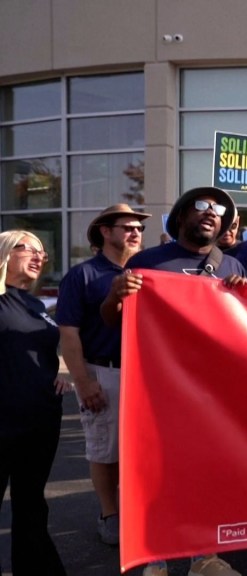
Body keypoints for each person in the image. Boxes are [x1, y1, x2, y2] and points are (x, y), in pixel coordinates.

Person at [101, 187, 247, 576]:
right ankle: (156, 559)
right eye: (201, 206)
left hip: (212, 392)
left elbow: (245, 329)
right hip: (155, 388)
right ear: (182, 216)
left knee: (208, 473)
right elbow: (112, 319)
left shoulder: (232, 267)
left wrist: (243, 299)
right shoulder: (147, 261)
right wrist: (117, 294)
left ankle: (205, 557)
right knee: (154, 473)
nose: (210, 213)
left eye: (218, 210)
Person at [55, 203, 151, 547]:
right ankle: (110, 515)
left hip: (148, 377)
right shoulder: (82, 276)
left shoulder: (150, 270)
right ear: (105, 232)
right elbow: (69, 334)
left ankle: (136, 513)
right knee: (104, 451)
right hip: (104, 372)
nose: (135, 232)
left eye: (138, 227)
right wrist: (83, 382)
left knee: (141, 451)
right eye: (127, 227)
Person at [0, 231, 72, 576]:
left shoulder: (34, 303)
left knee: (31, 507)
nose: (40, 256)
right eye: (29, 248)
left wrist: (60, 376)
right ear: (4, 254)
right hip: (3, 421)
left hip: (40, 421)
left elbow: (42, 353)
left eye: (43, 252)